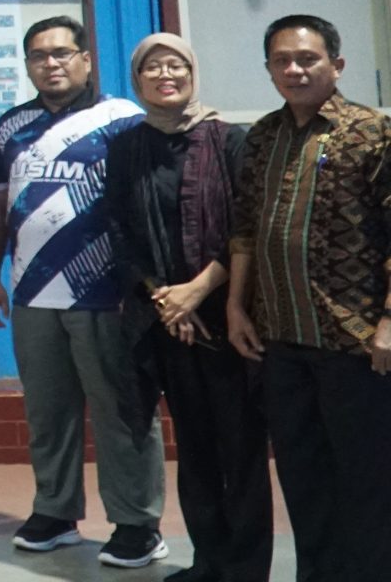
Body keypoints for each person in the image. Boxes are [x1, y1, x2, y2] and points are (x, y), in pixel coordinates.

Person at [0, 15, 164, 566]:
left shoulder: (123, 119)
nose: (51, 64)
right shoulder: (12, 126)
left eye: (62, 53)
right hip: (32, 294)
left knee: (122, 411)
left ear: (86, 59)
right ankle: (55, 512)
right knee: (48, 412)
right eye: (39, 56)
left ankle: (137, 522)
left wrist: (142, 285)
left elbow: (146, 205)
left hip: (106, 295)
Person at [223, 14, 391, 582]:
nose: (294, 70)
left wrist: (389, 322)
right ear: (269, 69)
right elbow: (245, 228)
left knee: (367, 479)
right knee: (302, 476)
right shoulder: (262, 136)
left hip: (355, 343)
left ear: (336, 65)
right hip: (281, 340)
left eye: (307, 59)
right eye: (281, 61)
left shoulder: (373, 133)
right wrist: (236, 305)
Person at [104, 34, 269, 582]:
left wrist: (198, 290)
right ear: (137, 80)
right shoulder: (126, 147)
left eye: (176, 64)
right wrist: (165, 298)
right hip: (166, 320)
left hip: (228, 315)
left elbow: (248, 225)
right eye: (153, 67)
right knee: (194, 447)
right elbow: (119, 230)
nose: (165, 75)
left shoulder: (228, 140)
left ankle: (245, 570)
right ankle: (208, 562)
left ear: (192, 72)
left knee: (240, 447)